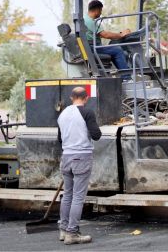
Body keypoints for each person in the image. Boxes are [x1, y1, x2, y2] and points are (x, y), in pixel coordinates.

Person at [57, 87, 102, 245]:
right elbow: (96, 135)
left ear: (71, 98)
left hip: (66, 157)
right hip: (81, 157)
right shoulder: (87, 112)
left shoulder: (62, 114)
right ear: (86, 98)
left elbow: (60, 139)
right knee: (78, 197)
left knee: (67, 195)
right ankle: (73, 233)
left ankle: (63, 230)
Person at [84, 0, 131, 75]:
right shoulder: (90, 21)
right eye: (100, 10)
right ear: (96, 10)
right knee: (117, 50)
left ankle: (123, 74)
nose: (101, 13)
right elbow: (105, 35)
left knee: (124, 53)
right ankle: (126, 77)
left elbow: (104, 34)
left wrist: (120, 34)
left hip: (91, 47)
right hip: (92, 48)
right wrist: (121, 35)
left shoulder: (86, 19)